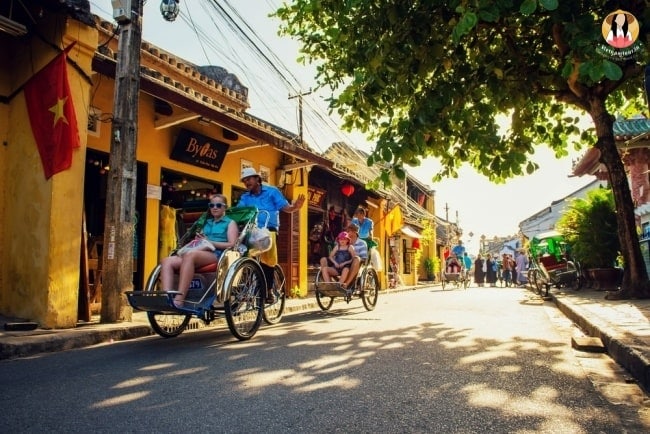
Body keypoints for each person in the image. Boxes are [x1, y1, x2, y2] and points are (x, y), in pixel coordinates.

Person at [237, 167, 305, 303]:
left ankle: (268, 292)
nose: (247, 183)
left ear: (257, 179)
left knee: (268, 260)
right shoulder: (245, 197)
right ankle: (245, 286)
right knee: (240, 253)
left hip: (269, 229)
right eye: (244, 181)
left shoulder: (272, 191)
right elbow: (239, 211)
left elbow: (287, 208)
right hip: (251, 230)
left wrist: (295, 207)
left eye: (249, 179)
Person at [161, 194, 238, 308]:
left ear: (224, 207)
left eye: (218, 205)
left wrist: (210, 242)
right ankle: (167, 297)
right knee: (167, 261)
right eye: (212, 205)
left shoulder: (230, 223)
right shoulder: (206, 223)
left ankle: (180, 299)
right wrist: (199, 240)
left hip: (217, 254)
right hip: (200, 252)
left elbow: (232, 244)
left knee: (190, 255)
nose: (214, 208)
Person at [339, 223, 368, 289]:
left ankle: (346, 284)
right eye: (347, 231)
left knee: (356, 259)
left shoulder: (362, 243)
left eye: (349, 231)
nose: (347, 233)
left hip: (356, 263)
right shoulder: (345, 242)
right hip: (344, 263)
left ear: (355, 232)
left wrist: (354, 258)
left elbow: (364, 258)